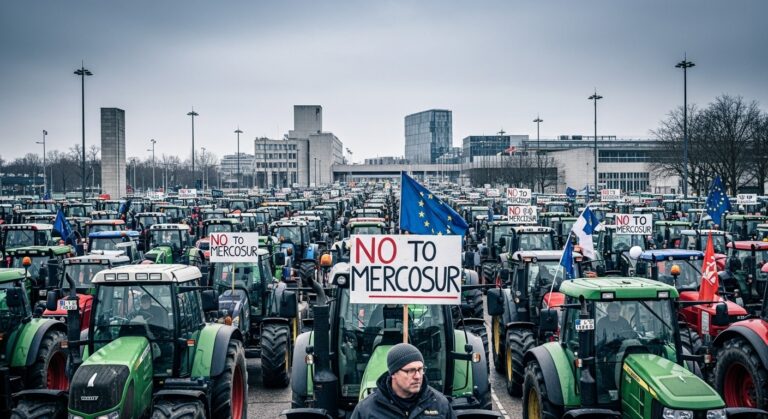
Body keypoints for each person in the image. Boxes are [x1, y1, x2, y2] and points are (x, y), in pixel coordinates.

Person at [350, 343, 456, 419]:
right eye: (410, 371)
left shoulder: (440, 404)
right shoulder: (366, 410)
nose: (418, 376)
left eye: (420, 369)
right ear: (393, 374)